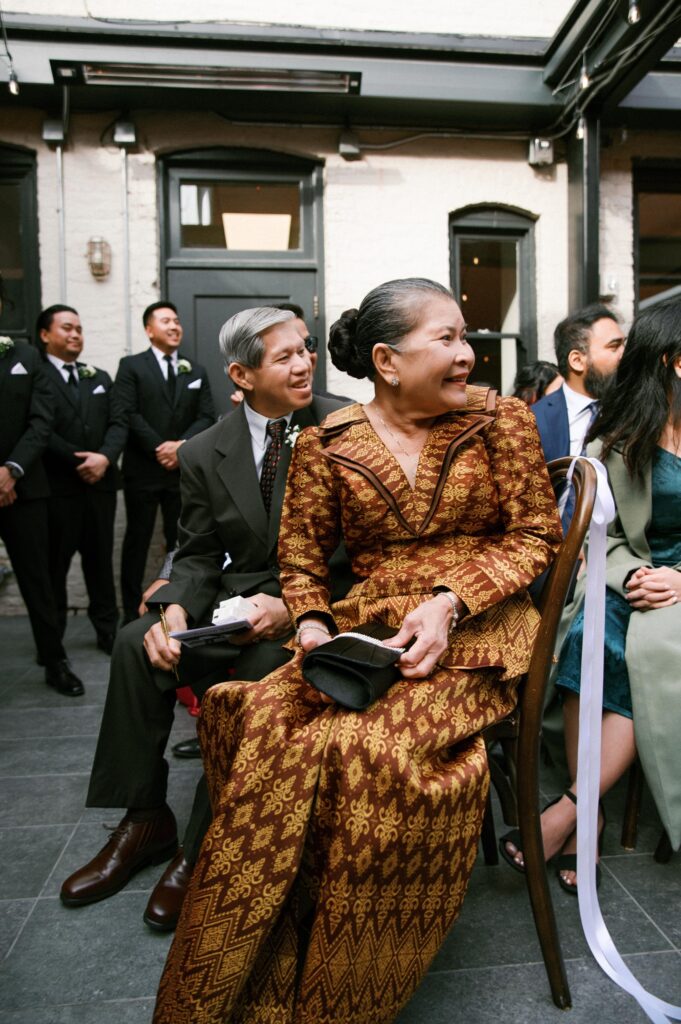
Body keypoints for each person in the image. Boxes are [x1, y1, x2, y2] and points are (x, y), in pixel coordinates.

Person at [153, 278, 561, 1024]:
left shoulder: (502, 420)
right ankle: (249, 968)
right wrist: (310, 625)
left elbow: (535, 535)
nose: (467, 354)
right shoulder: (325, 442)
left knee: (368, 750)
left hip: (482, 620)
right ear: (386, 359)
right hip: (364, 627)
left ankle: (344, 995)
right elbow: (302, 562)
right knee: (253, 715)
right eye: (447, 339)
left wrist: (448, 602)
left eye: (465, 337)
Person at [60, 307, 349, 931]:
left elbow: (367, 551)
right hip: (231, 602)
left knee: (258, 669)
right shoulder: (201, 451)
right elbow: (193, 550)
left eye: (305, 349)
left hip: (313, 612)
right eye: (284, 357)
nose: (303, 364)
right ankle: (144, 821)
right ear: (240, 375)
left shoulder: (345, 425)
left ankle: (203, 845)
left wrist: (295, 607)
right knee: (139, 645)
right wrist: (173, 610)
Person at [501, 296, 681, 891]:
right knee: (593, 626)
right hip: (634, 577)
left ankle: (573, 810)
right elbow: (604, 540)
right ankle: (593, 812)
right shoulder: (620, 438)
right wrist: (631, 575)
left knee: (647, 649)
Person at [0, 283, 84, 696]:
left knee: (40, 580)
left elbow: (40, 420)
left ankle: (55, 661)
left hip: (25, 487)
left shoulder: (26, 356)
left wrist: (11, 470)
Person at [114, 301, 215, 623]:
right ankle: (130, 612)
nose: (174, 326)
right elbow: (127, 413)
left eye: (176, 320)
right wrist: (160, 447)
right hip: (143, 470)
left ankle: (176, 607)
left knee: (182, 542)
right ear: (149, 330)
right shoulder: (131, 366)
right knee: (138, 540)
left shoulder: (195, 370)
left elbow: (206, 416)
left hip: (180, 472)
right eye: (165, 321)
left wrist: (180, 447)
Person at [39, 305, 127, 654]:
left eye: (79, 328)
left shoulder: (99, 377)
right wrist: (79, 460)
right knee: (54, 566)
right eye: (66, 328)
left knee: (100, 562)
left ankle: (107, 631)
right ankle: (53, 636)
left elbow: (118, 422)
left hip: (100, 485)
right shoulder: (36, 375)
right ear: (45, 334)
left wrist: (104, 457)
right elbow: (39, 428)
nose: (75, 334)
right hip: (59, 487)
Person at [532, 303, 625, 462]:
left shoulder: (632, 411)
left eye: (624, 344)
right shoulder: (535, 419)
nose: (625, 353)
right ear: (577, 361)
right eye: (614, 346)